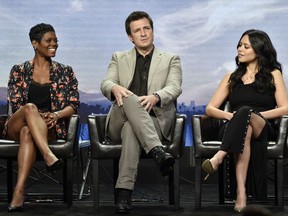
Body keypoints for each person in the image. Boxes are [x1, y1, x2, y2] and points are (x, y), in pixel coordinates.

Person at [101, 11, 182, 213]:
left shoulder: (171, 59)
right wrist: (115, 88)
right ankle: (157, 151)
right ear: (130, 36)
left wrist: (155, 96)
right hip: (118, 121)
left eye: (147, 28)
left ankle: (123, 192)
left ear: (153, 31)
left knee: (132, 129)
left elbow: (174, 87)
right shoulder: (118, 58)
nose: (143, 33)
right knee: (128, 97)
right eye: (138, 30)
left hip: (154, 120)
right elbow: (106, 82)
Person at [201, 29, 288, 213]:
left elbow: (285, 108)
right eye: (239, 45)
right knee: (243, 122)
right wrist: (229, 116)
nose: (240, 49)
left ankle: (218, 157)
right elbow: (210, 108)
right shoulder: (231, 78)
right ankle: (241, 192)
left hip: (262, 125)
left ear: (258, 50)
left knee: (246, 112)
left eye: (246, 46)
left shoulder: (273, 75)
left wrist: (258, 115)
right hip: (234, 125)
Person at [2, 23, 79, 212]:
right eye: (49, 41)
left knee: (28, 132)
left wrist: (56, 114)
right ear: (35, 43)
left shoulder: (65, 71)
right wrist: (35, 114)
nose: (54, 44)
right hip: (17, 122)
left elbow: (73, 104)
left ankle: (19, 193)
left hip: (48, 125)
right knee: (29, 109)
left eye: (56, 41)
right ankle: (48, 155)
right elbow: (16, 103)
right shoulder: (19, 70)